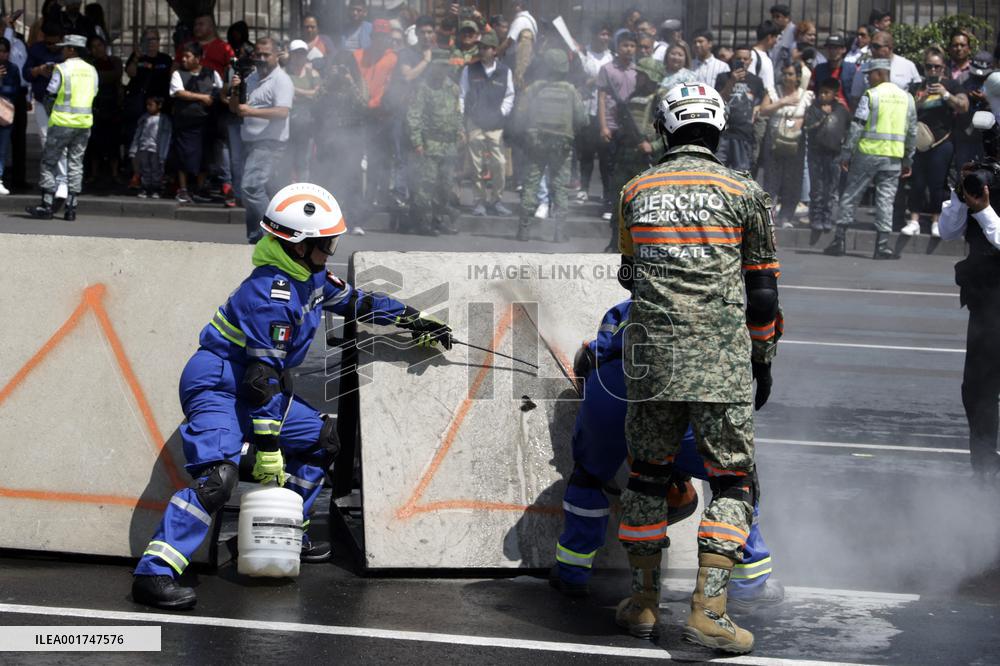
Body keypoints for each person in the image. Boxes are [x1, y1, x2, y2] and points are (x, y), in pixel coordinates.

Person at [131, 182, 453, 610]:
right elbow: (261, 381)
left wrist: (414, 319)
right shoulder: (270, 295)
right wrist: (267, 449)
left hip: (251, 384)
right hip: (217, 384)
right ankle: (154, 573)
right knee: (217, 481)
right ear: (299, 245)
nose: (331, 249)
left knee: (323, 440)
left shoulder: (310, 275)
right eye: (326, 243)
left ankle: (282, 533)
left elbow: (356, 302)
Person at [614, 82, 781, 653]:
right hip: (720, 362)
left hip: (651, 363)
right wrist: (762, 360)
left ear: (664, 129)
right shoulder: (744, 192)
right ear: (718, 128)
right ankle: (710, 611)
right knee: (733, 481)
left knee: (646, 475)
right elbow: (763, 295)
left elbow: (629, 274)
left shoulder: (636, 190)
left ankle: (641, 604)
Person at [551, 300, 783, 612]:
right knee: (735, 481)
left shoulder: (623, 309)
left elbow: (590, 357)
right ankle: (748, 583)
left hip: (609, 392)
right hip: (677, 395)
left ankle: (573, 573)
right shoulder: (715, 303)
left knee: (590, 477)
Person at [938, 159, 1000, 479]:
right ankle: (984, 467)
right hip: (986, 301)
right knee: (976, 389)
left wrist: (985, 211)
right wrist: (960, 194)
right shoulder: (983, 181)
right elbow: (948, 231)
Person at [824, 59, 917, 259]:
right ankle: (882, 247)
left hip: (867, 154)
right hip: (893, 157)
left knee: (851, 195)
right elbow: (912, 131)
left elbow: (857, 126)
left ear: (880, 73)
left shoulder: (871, 95)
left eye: (870, 74)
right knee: (886, 200)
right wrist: (908, 159)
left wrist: (847, 153)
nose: (867, 79)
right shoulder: (907, 98)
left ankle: (839, 241)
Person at [514, 49, 586, 242]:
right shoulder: (571, 91)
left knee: (531, 185)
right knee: (560, 187)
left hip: (535, 143)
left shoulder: (534, 89)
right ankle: (559, 233)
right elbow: (582, 119)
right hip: (561, 146)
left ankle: (524, 230)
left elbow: (519, 115)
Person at [230, 36, 294, 243]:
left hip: (269, 143)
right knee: (254, 192)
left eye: (266, 55)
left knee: (251, 188)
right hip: (250, 142)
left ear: (276, 56)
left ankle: (275, 234)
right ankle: (256, 239)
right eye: (258, 54)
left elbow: (283, 112)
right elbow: (236, 109)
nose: (262, 59)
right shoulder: (251, 78)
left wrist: (250, 111)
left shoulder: (281, 80)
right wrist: (235, 90)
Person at [25, 34, 96, 221]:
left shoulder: (62, 69)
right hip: (83, 124)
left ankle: (46, 205)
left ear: (72, 50)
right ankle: (71, 208)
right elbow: (93, 94)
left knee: (49, 162)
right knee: (76, 164)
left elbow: (50, 95)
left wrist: (51, 114)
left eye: (65, 48)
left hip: (61, 123)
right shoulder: (92, 70)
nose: (62, 51)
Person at [902, 50, 968, 238]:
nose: (932, 70)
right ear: (924, 68)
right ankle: (914, 220)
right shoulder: (917, 86)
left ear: (943, 68)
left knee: (938, 183)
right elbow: (906, 110)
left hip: (942, 141)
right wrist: (921, 99)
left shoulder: (952, 85)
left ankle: (936, 221)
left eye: (936, 67)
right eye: (929, 66)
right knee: (917, 182)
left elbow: (964, 106)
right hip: (919, 141)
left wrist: (945, 94)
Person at [406, 49, 463, 236]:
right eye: (439, 66)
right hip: (429, 144)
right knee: (426, 186)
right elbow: (414, 116)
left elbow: (457, 113)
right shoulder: (423, 88)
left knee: (445, 186)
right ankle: (424, 222)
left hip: (449, 146)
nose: (442, 69)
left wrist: (460, 131)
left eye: (445, 66)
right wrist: (417, 142)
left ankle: (438, 220)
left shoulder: (453, 88)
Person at [459, 31, 513, 217]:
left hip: (495, 125)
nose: (482, 50)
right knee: (476, 165)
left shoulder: (505, 71)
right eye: (480, 47)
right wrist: (463, 118)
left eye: (486, 48)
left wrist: (502, 113)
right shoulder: (469, 70)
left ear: (494, 50)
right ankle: (479, 201)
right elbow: (462, 95)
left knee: (499, 163)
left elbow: (509, 95)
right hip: (475, 123)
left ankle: (496, 200)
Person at [314, 50, 368, 226]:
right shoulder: (328, 84)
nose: (342, 71)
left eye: (346, 67)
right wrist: (329, 79)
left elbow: (364, 106)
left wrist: (350, 82)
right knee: (328, 176)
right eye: (339, 67)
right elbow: (315, 102)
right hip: (329, 135)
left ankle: (355, 220)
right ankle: (328, 218)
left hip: (352, 136)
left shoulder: (358, 82)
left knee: (353, 177)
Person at [760, 62, 811, 227]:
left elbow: (811, 116)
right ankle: (769, 216)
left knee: (792, 180)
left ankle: (786, 217)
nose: (787, 78)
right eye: (785, 74)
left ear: (798, 77)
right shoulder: (773, 92)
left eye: (791, 74)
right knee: (771, 180)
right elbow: (763, 110)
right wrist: (783, 102)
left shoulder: (806, 95)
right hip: (774, 141)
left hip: (795, 142)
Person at [170, 42, 222, 204]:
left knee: (204, 157)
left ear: (198, 58)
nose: (184, 59)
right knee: (184, 155)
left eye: (188, 56)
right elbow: (179, 92)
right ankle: (183, 189)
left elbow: (220, 89)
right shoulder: (178, 74)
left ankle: (201, 188)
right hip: (186, 123)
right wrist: (202, 97)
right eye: (183, 56)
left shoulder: (211, 74)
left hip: (206, 122)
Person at [354, 19, 398, 209]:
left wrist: (374, 103)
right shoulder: (358, 55)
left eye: (384, 36)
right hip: (359, 113)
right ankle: (359, 197)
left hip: (381, 115)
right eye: (377, 36)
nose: (380, 40)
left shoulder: (393, 59)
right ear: (372, 37)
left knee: (380, 158)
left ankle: (378, 197)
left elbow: (391, 87)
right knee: (355, 156)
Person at [124, 28, 172, 187]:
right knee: (137, 139)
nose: (151, 43)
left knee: (157, 141)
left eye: (154, 39)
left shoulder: (165, 59)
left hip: (160, 105)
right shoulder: (138, 57)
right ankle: (136, 173)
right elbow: (130, 73)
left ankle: (157, 174)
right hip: (140, 104)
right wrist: (136, 58)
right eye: (148, 40)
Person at [804, 78, 851, 243]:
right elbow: (807, 127)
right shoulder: (813, 109)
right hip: (816, 153)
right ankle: (816, 216)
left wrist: (845, 147)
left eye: (827, 93)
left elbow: (848, 128)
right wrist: (823, 116)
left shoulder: (842, 110)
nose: (823, 96)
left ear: (835, 94)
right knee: (817, 186)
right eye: (821, 92)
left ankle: (827, 216)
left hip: (835, 154)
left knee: (831, 188)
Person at [23, 23, 67, 199]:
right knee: (46, 141)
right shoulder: (36, 50)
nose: (52, 47)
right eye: (48, 43)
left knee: (61, 141)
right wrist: (39, 70)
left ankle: (62, 180)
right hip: (42, 101)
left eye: (55, 43)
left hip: (62, 103)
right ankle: (52, 180)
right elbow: (26, 74)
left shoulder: (67, 52)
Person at [597, 32, 637, 222]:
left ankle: (623, 202)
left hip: (629, 127)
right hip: (611, 123)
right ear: (617, 47)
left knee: (626, 165)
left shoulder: (637, 70)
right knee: (608, 165)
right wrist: (603, 125)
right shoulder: (607, 69)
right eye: (625, 45)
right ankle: (608, 202)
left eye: (632, 46)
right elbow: (601, 98)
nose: (628, 49)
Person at [577, 21, 613, 205]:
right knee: (587, 152)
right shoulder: (584, 54)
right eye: (602, 34)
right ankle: (583, 188)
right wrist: (593, 81)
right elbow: (577, 80)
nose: (604, 38)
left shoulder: (612, 57)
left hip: (606, 114)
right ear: (594, 35)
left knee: (606, 154)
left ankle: (607, 191)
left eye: (607, 34)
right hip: (587, 109)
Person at [716, 46, 768, 172]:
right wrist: (732, 81)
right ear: (733, 59)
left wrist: (757, 109)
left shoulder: (756, 81)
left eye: (745, 59)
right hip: (724, 133)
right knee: (718, 170)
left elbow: (763, 100)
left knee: (741, 173)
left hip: (744, 134)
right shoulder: (723, 77)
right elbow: (719, 99)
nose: (742, 61)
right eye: (739, 58)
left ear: (750, 61)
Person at [85, 34, 122, 188]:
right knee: (94, 142)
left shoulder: (115, 61)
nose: (97, 49)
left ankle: (115, 173)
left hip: (113, 105)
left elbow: (116, 74)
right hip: (96, 105)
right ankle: (94, 174)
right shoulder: (89, 64)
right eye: (93, 47)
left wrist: (98, 76)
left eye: (99, 45)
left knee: (114, 142)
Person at [848, 31, 920, 103]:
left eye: (876, 46)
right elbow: (855, 98)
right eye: (871, 46)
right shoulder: (863, 69)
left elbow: (917, 92)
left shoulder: (908, 65)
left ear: (890, 47)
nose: (872, 50)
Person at [286, 40, 320, 182]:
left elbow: (317, 94)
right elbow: (285, 95)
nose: (299, 56)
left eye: (302, 53)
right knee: (287, 160)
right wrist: (307, 94)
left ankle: (302, 188)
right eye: (296, 53)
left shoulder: (313, 74)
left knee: (304, 160)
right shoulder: (284, 73)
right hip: (287, 124)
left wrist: (296, 90)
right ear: (291, 55)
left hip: (307, 124)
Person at [128, 95, 171, 198]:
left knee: (156, 169)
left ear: (159, 105)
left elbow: (166, 137)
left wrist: (163, 153)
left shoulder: (164, 120)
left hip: (156, 149)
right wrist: (134, 148)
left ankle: (156, 188)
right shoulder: (144, 118)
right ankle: (145, 187)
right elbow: (138, 133)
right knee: (145, 168)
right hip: (144, 147)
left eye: (151, 105)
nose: (148, 107)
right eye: (147, 105)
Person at [0, 36, 23, 194]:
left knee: (2, 147)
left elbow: (15, 90)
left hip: (5, 111)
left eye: (4, 51)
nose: (1, 54)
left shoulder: (13, 69)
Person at [498, 0, 536, 89]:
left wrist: (496, 53)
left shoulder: (520, 21)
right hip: (528, 62)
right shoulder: (531, 20)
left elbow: (509, 41)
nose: (508, 9)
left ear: (518, 6)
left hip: (515, 62)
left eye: (510, 5)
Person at [751, 20, 780, 100]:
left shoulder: (766, 56)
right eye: (776, 37)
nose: (776, 41)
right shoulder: (753, 56)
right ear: (769, 37)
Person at [768, 4, 795, 71]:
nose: (774, 19)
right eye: (773, 17)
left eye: (778, 17)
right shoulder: (774, 32)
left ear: (787, 18)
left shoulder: (795, 32)